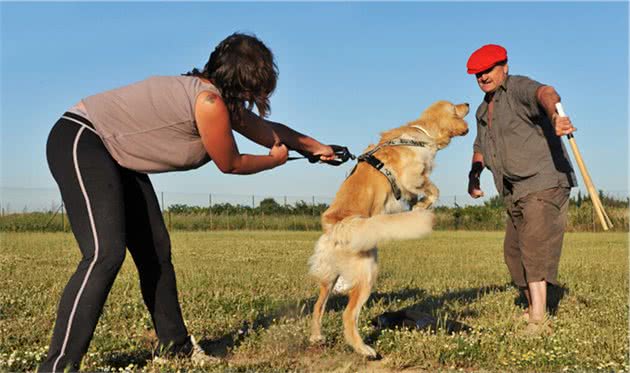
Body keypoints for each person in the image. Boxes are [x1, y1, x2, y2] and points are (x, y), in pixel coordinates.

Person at [39, 32, 340, 372]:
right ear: (239, 81)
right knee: (105, 254)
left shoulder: (218, 100)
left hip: (116, 155)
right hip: (82, 139)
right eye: (254, 87)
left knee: (155, 251)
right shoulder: (209, 103)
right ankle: (57, 366)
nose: (256, 97)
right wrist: (275, 161)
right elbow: (231, 163)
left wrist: (318, 148)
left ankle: (175, 347)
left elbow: (268, 130)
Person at [465, 44, 577, 333]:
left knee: (533, 245)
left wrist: (555, 116)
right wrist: (474, 175)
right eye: (477, 74)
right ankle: (532, 306)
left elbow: (547, 93)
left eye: (488, 70)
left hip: (543, 180)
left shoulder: (518, 88)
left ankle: (539, 318)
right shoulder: (482, 111)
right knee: (513, 252)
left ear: (504, 66)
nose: (483, 77)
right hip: (513, 189)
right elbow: (480, 149)